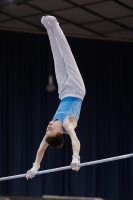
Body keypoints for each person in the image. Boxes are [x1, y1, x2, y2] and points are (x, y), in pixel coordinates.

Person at [26, 16, 86, 180]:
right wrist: (75, 158)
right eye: (50, 129)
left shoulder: (54, 128)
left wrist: (35, 167)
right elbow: (75, 141)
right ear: (60, 131)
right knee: (67, 56)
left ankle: (49, 28)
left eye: (47, 130)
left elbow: (41, 150)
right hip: (77, 90)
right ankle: (56, 25)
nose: (48, 127)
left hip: (63, 93)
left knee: (57, 59)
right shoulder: (67, 124)